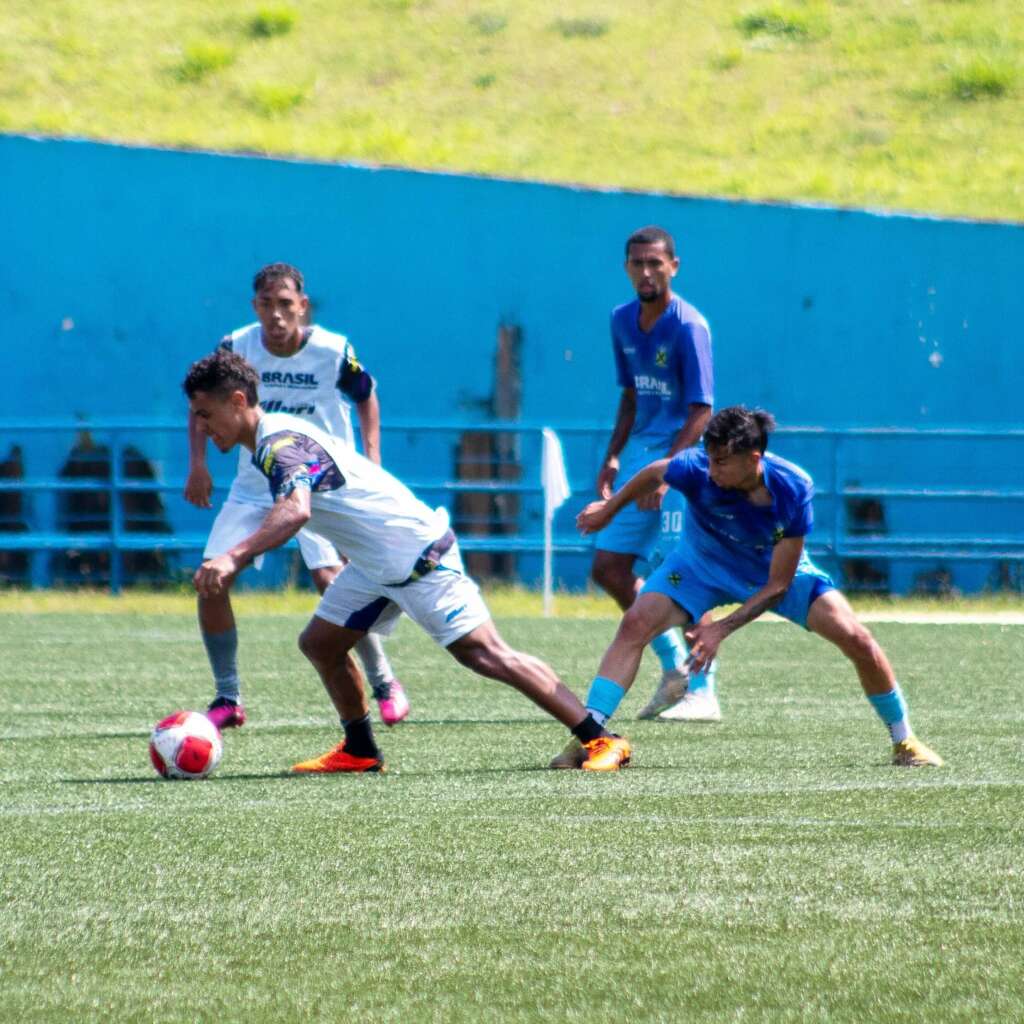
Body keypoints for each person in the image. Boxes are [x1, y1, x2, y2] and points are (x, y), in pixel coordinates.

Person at [183, 350, 632, 772]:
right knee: (320, 643)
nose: (201, 427)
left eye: (205, 414)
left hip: (417, 555)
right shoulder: (270, 438)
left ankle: (600, 738)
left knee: (485, 654)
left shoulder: (280, 443)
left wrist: (232, 558)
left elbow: (296, 509)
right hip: (375, 563)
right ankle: (360, 749)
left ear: (238, 401)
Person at [561, 405, 943, 771]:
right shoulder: (697, 469)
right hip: (700, 565)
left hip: (769, 573)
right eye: (709, 458)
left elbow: (778, 585)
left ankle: (904, 740)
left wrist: (720, 628)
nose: (711, 470)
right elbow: (655, 472)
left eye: (722, 462)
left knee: (858, 639)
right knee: (635, 624)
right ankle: (591, 739)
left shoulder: (792, 489)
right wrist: (607, 511)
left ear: (754, 457)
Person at [184, 263, 409, 731]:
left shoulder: (330, 350)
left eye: (285, 304)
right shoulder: (237, 347)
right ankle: (227, 696)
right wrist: (199, 464)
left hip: (318, 484)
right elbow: (201, 399)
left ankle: (384, 680)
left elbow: (366, 394)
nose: (276, 315)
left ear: (302, 306)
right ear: (255, 308)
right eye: (266, 305)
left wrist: (371, 455)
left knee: (335, 582)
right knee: (211, 579)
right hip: (253, 486)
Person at [553, 225, 717, 771]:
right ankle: (672, 667)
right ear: (627, 268)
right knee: (609, 566)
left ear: (675, 265)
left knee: (683, 572)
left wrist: (671, 471)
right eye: (636, 264)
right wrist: (613, 456)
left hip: (681, 457)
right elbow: (629, 395)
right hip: (641, 451)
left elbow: (701, 411)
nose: (646, 272)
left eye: (655, 263)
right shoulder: (621, 320)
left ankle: (702, 689)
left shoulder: (690, 327)